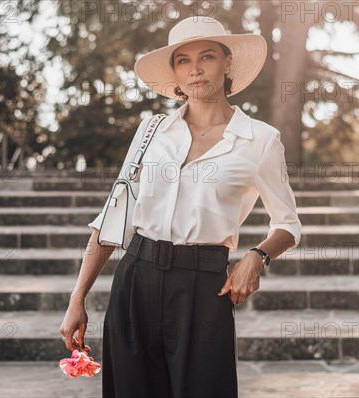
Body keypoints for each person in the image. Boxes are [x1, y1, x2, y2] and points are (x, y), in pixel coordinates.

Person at [60, 16, 302, 398]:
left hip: (204, 289)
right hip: (135, 279)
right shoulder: (151, 131)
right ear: (175, 73)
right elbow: (113, 217)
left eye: (206, 57)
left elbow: (288, 225)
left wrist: (257, 256)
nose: (195, 69)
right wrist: (78, 297)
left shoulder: (261, 140)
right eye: (183, 61)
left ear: (227, 63)